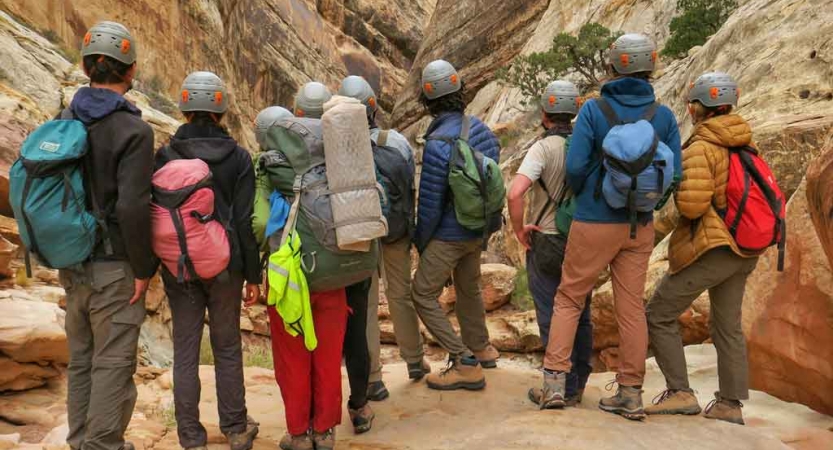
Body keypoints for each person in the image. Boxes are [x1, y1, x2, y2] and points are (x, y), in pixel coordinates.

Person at [536, 34, 682, 419]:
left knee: (569, 298)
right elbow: (674, 175)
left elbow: (576, 167)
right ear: (649, 67)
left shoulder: (593, 111)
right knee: (631, 307)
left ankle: (554, 386)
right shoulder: (663, 116)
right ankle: (631, 393)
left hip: (594, 221)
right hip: (639, 226)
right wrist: (648, 204)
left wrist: (591, 198)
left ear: (613, 66)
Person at [59, 21, 155, 450]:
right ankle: (102, 445)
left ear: (85, 67)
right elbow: (133, 207)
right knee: (113, 363)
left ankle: (81, 440)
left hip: (70, 259)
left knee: (81, 362)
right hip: (114, 264)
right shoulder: (134, 131)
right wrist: (143, 267)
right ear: (130, 72)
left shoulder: (63, 119)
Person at [645, 72, 760, 425]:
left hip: (714, 247)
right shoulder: (745, 142)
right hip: (746, 247)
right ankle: (730, 404)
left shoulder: (701, 147)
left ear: (698, 108)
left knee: (659, 312)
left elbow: (693, 207)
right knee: (727, 325)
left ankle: (680, 392)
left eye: (691, 104)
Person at [155, 72, 261, 450]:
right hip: (226, 265)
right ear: (220, 109)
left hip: (179, 264)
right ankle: (235, 428)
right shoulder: (239, 158)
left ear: (185, 108)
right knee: (227, 346)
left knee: (185, 349)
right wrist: (253, 275)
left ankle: (190, 435)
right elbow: (246, 221)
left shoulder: (166, 154)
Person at [263, 82, 349, 450]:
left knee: (292, 357)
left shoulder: (270, 161)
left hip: (287, 278)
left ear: (294, 116)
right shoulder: (342, 153)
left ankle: (298, 433)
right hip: (333, 270)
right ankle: (325, 431)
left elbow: (257, 221)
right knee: (328, 356)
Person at [412, 60, 501, 391]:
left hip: (450, 233)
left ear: (428, 101)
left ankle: (463, 360)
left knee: (421, 293)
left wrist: (421, 241)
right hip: (478, 229)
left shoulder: (437, 143)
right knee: (468, 287)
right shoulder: (481, 130)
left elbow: (431, 202)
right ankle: (482, 347)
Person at [338, 76, 429, 389]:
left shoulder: (341, 149)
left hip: (360, 233)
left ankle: (373, 378)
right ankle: (415, 359)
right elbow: (410, 187)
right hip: (395, 231)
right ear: (373, 108)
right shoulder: (397, 141)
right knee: (399, 294)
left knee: (365, 305)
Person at [507, 81, 593, 407]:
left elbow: (515, 193)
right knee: (580, 312)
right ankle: (578, 382)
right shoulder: (586, 145)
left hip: (546, 240)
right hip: (583, 240)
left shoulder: (543, 148)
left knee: (550, 311)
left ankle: (558, 384)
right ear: (574, 113)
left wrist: (519, 230)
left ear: (544, 114)